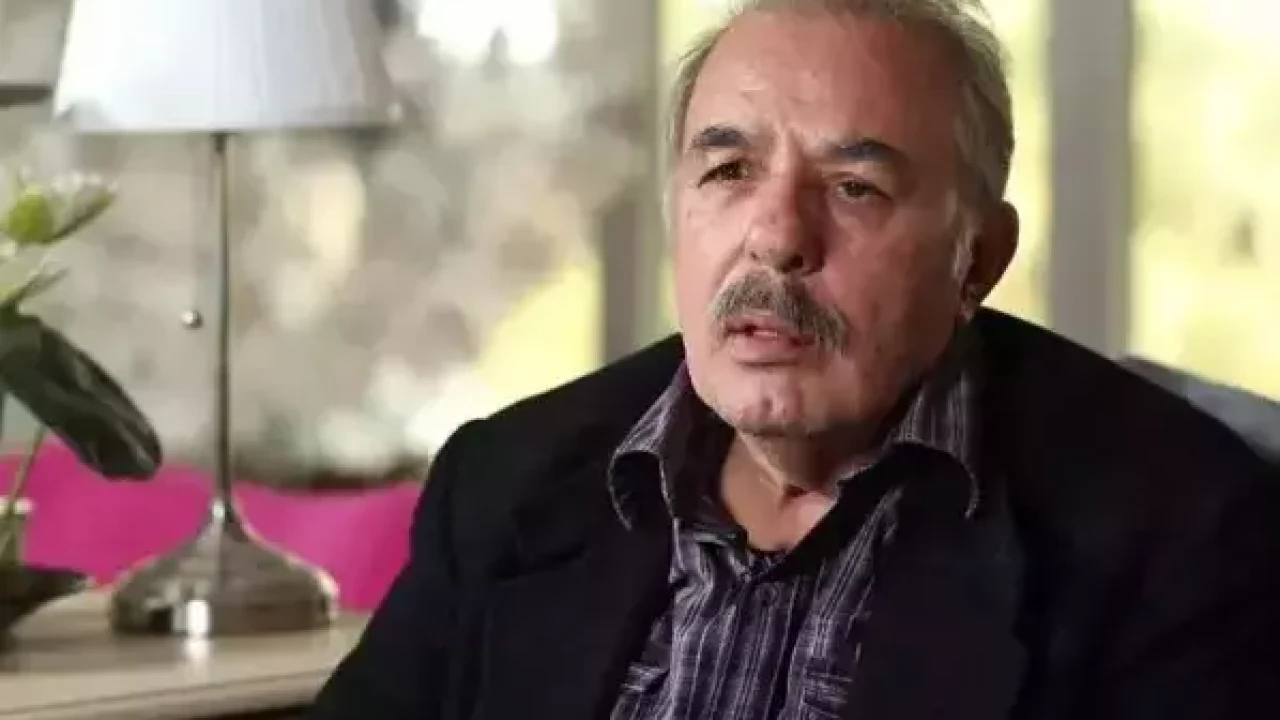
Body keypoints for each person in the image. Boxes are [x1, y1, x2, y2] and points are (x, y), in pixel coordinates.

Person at [309, 0, 1280, 717]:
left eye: (854, 187)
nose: (775, 237)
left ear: (976, 258)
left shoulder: (1181, 531)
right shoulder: (505, 481)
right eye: (728, 170)